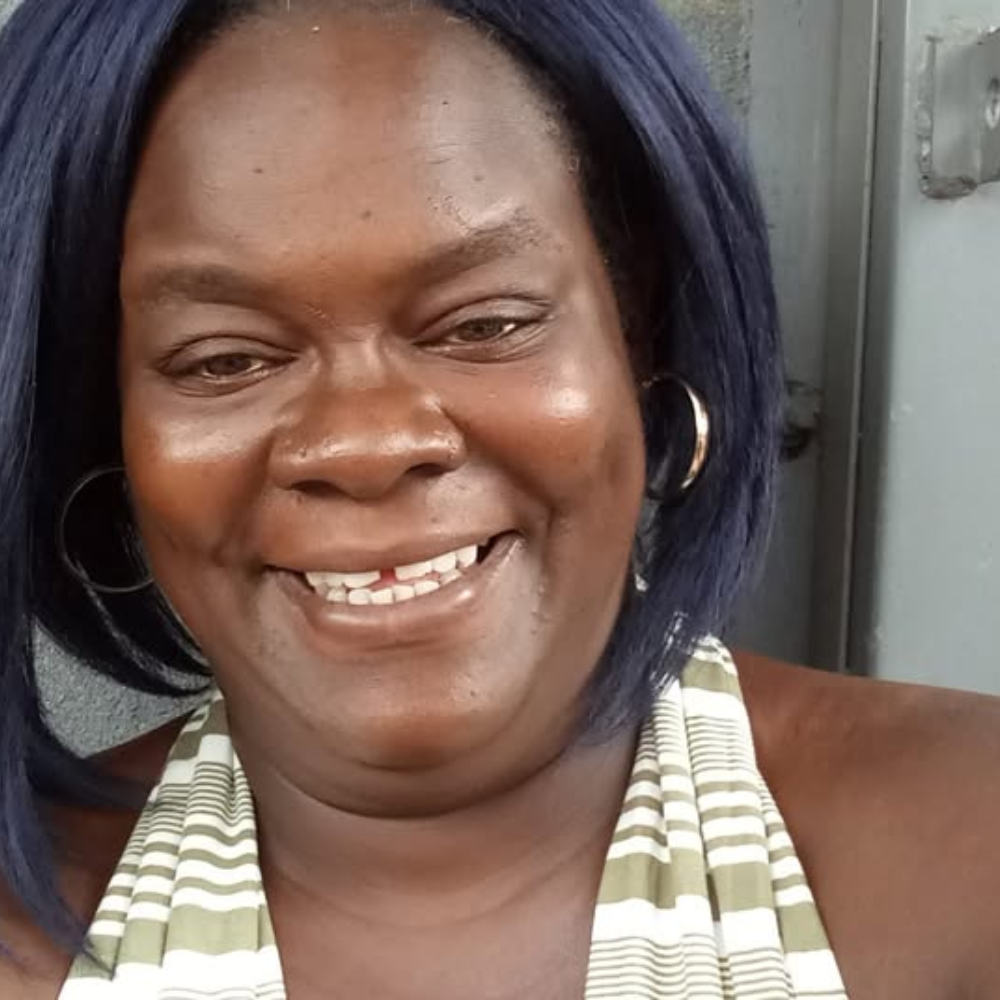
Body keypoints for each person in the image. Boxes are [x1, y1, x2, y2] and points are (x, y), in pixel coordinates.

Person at [0, 0, 998, 997]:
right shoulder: (23, 938)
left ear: (637, 336)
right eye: (223, 359)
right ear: (107, 431)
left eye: (485, 324)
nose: (366, 446)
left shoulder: (963, 854)